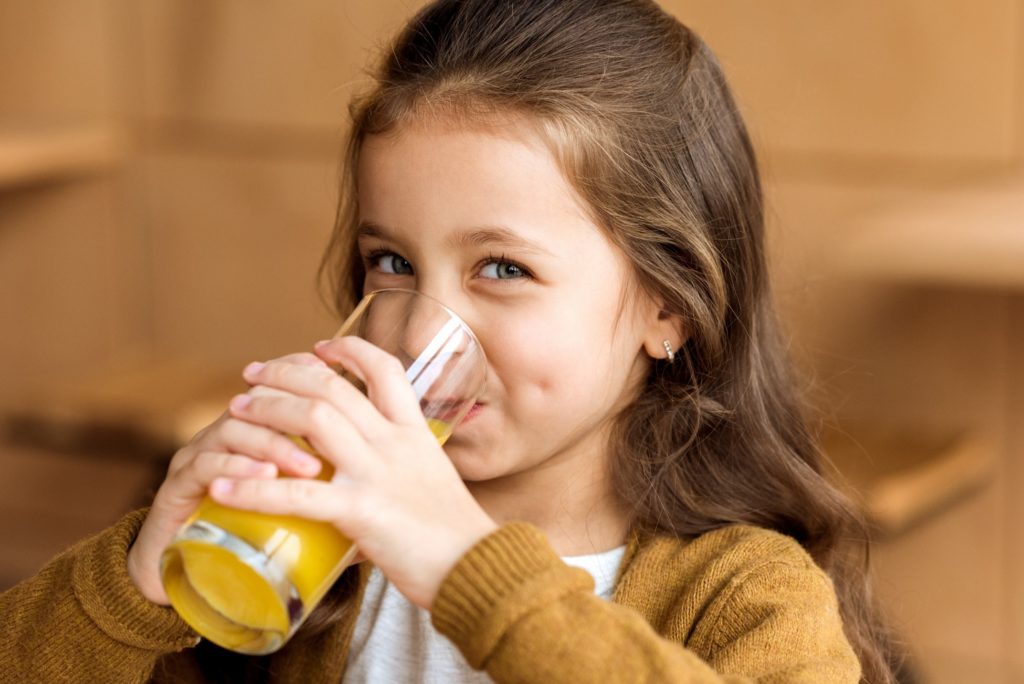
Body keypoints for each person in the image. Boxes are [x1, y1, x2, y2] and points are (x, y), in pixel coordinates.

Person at [1, 0, 899, 681]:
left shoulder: (749, 595)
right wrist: (132, 586)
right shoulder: (312, 548)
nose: (422, 328)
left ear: (671, 305)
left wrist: (466, 566)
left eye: (502, 269)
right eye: (390, 262)